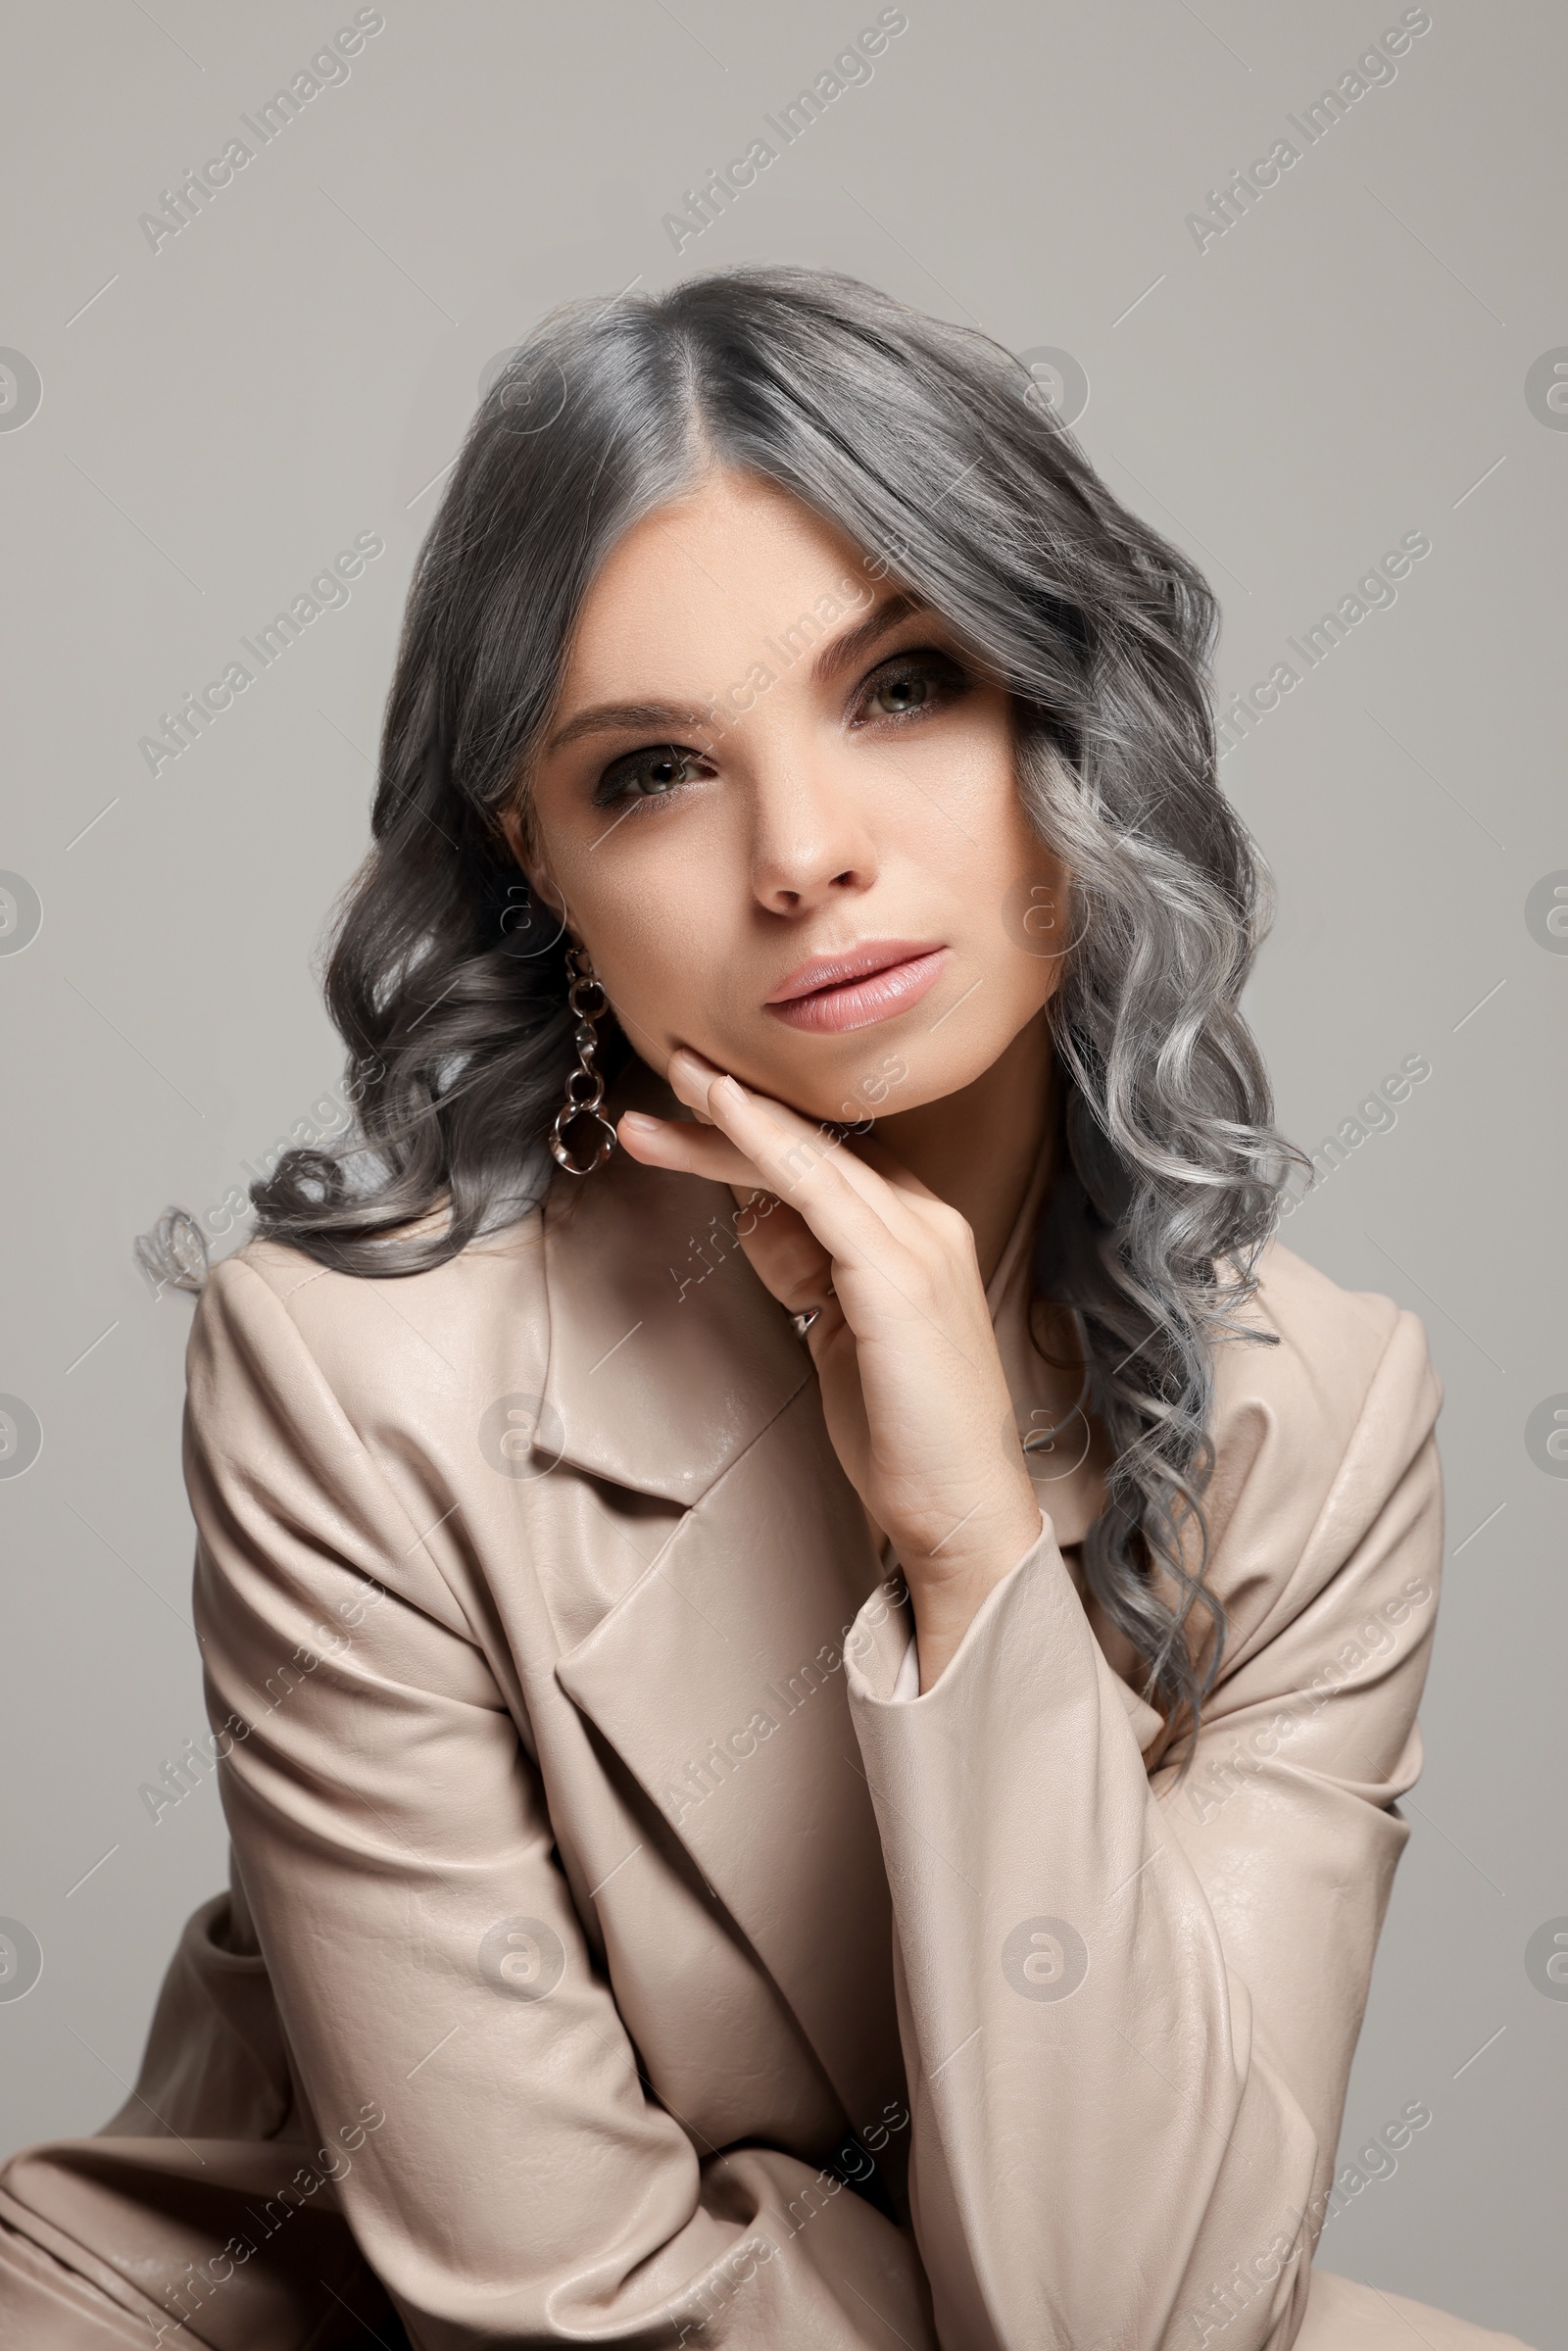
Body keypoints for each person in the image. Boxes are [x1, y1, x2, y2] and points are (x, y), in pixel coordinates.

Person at [0, 268, 1533, 2351]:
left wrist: (972, 1543)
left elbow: (1130, 2319)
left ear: (1061, 717)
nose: (802, 854)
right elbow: (556, 2297)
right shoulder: (355, 1371)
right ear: (529, 857)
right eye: (650, 772)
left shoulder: (1322, 1416)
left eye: (900, 687)